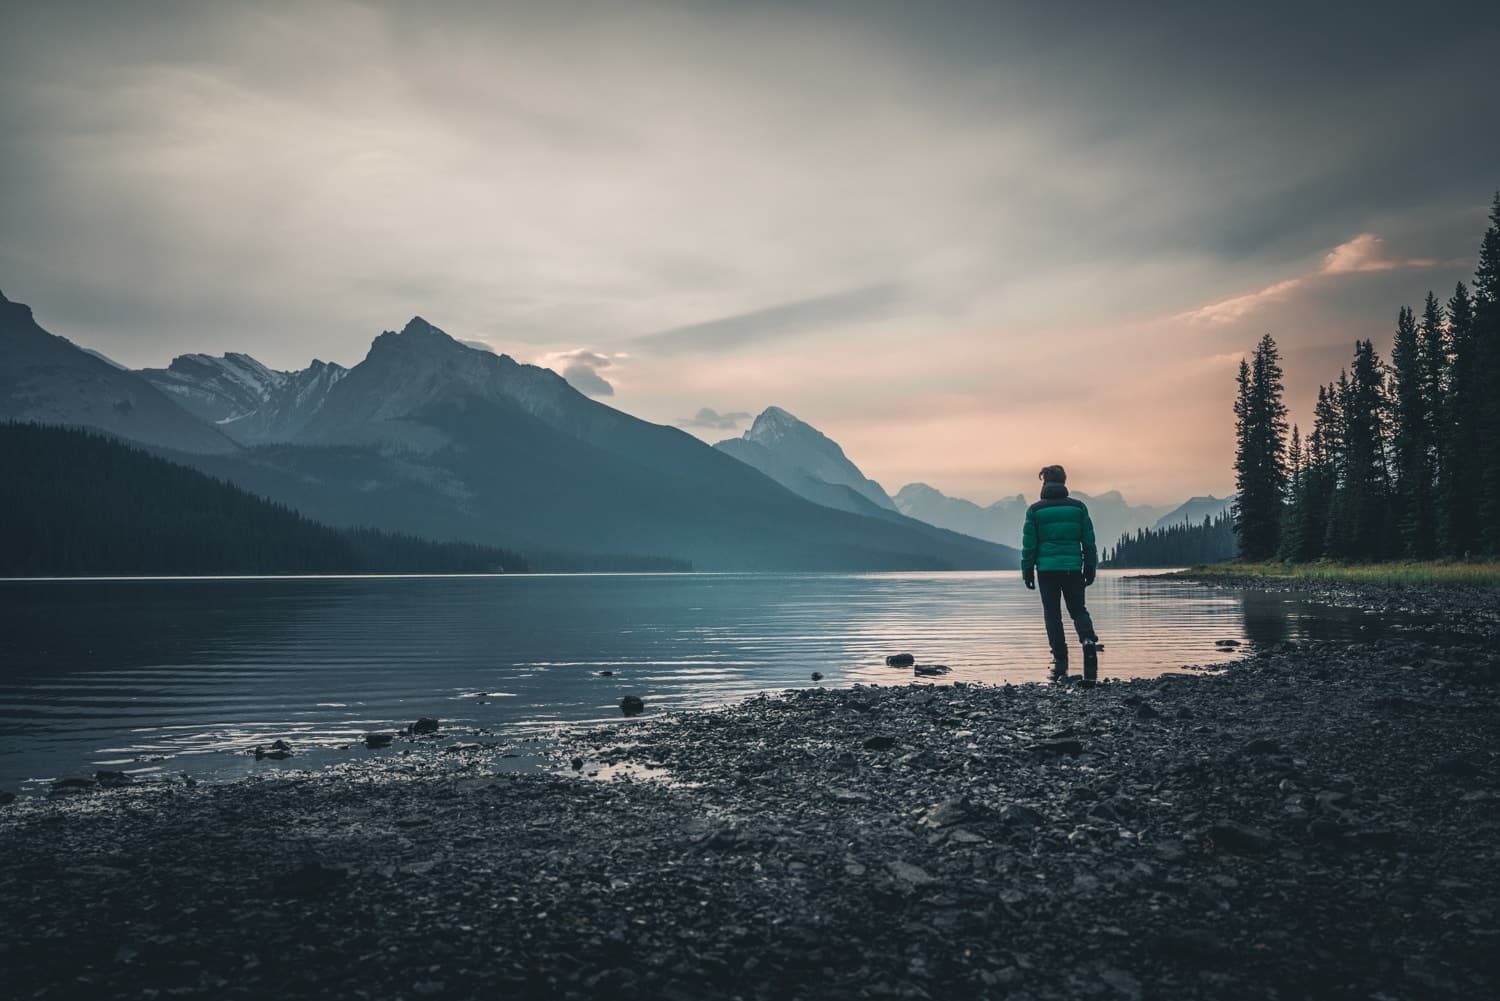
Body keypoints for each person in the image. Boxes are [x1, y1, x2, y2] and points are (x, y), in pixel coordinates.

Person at [1020, 465, 1103, 685]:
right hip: (1073, 568)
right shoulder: (1078, 508)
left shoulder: (1035, 511)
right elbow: (1089, 541)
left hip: (1046, 570)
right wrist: (1090, 566)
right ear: (1064, 481)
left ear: (1044, 483)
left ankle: (1060, 658)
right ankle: (1087, 641)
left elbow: (1029, 545)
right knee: (1078, 609)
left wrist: (1027, 570)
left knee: (1052, 613)